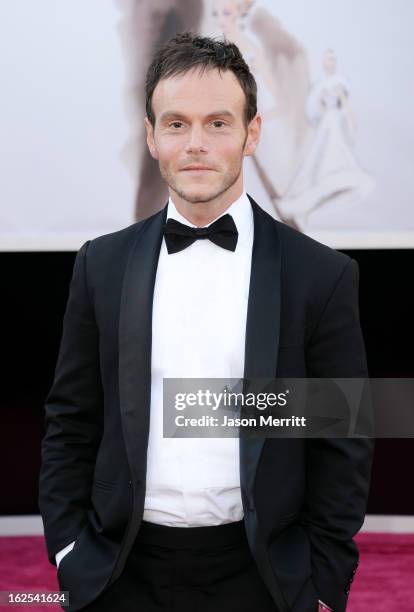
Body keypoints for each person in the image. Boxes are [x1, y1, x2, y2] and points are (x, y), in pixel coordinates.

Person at [38, 32, 374, 612]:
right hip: (119, 572)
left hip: (262, 575)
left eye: (218, 123)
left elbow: (343, 441)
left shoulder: (322, 276)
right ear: (150, 136)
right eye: (176, 124)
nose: (196, 144)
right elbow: (71, 420)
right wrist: (71, 552)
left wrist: (321, 576)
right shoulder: (101, 265)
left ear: (252, 133)